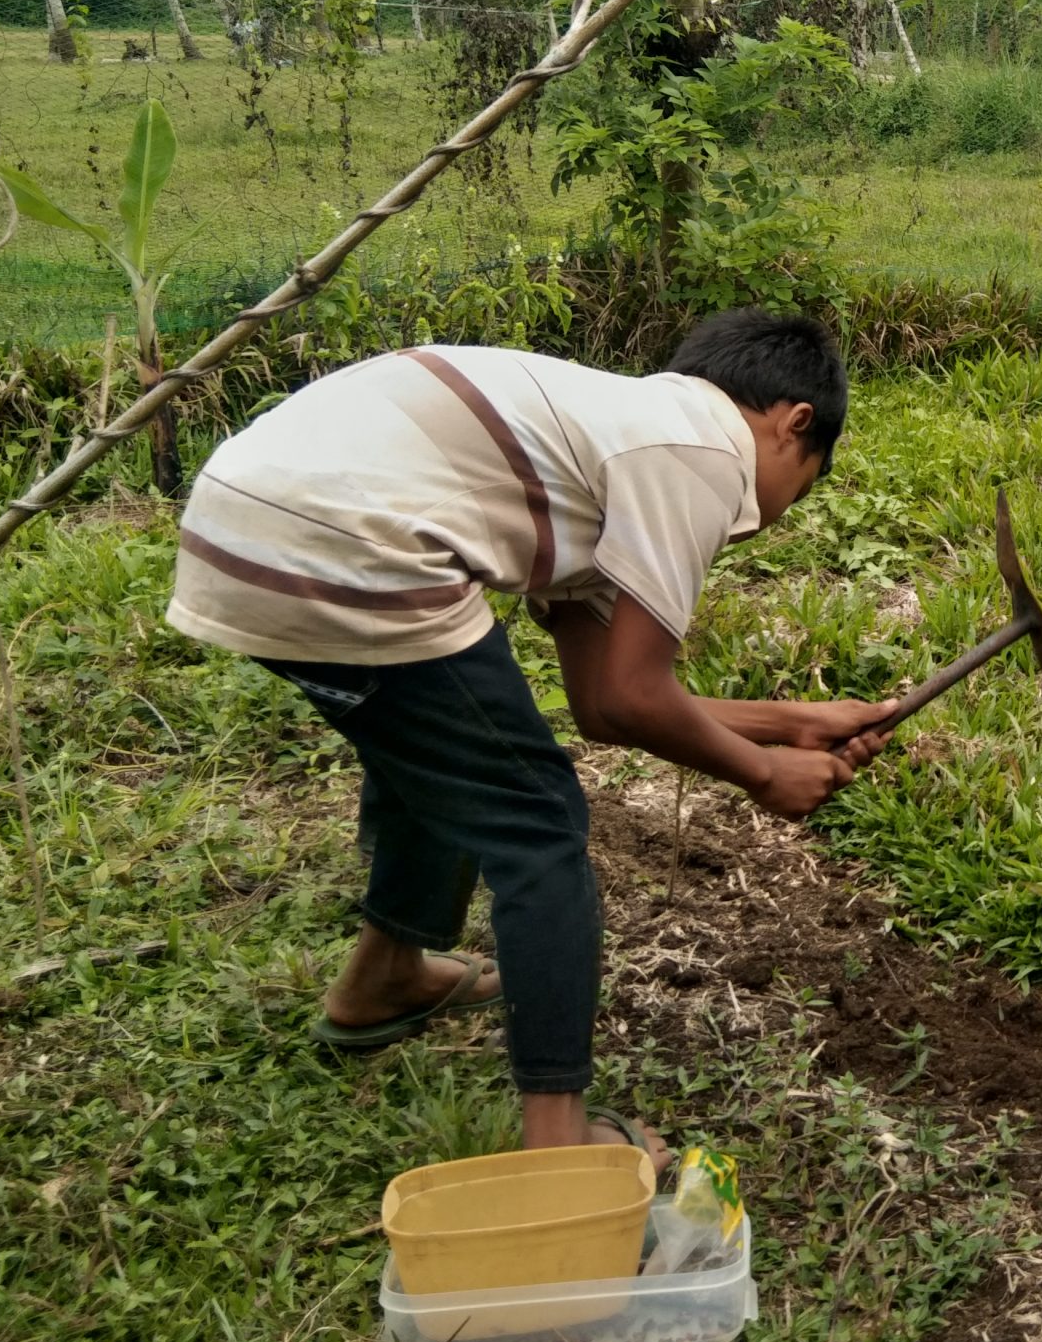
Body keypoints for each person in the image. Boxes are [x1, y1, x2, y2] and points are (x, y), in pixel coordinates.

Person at [166, 309, 895, 1168]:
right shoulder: (701, 452)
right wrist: (762, 773)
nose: (780, 511)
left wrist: (791, 721)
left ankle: (383, 979)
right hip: (348, 542)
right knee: (539, 827)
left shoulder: (605, 440)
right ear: (791, 423)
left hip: (246, 522)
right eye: (801, 486)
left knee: (437, 750)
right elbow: (630, 698)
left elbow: (604, 698)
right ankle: (558, 1143)